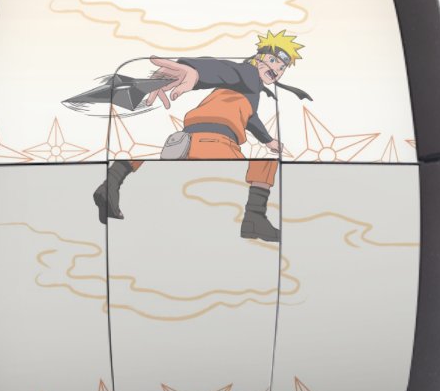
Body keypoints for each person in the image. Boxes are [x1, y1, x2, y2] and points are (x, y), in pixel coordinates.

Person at [93, 30, 305, 241]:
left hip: (185, 140)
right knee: (266, 163)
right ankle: (254, 216)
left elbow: (250, 117)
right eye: (272, 60)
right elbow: (224, 69)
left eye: (282, 67)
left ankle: (111, 182)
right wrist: (195, 71)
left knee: (145, 150)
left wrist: (268, 140)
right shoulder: (247, 74)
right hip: (216, 142)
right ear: (258, 58)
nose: (276, 69)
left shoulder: (242, 91)